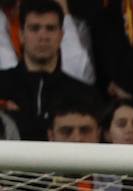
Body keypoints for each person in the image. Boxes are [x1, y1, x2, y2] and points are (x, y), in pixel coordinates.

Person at [0, 0, 100, 140]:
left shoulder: (84, 95)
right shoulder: (2, 85)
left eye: (50, 28)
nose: (43, 36)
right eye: (35, 28)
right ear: (21, 35)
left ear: (61, 35)